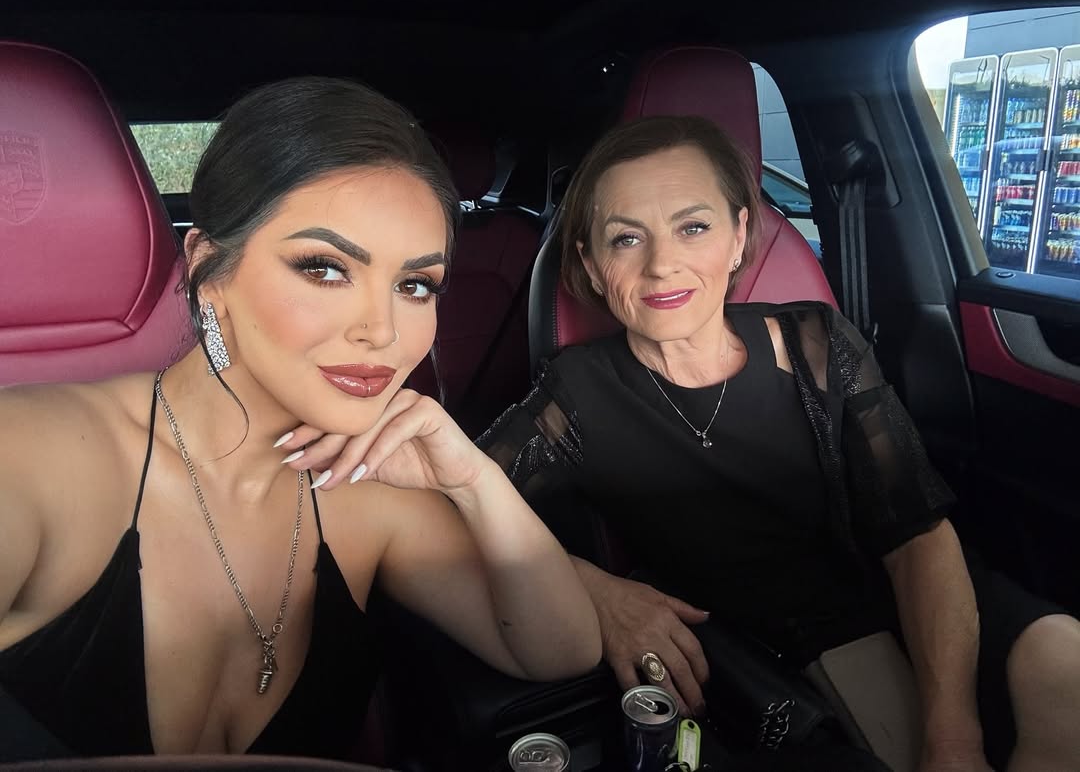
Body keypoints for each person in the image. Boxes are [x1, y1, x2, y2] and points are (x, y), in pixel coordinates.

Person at [0, 77, 600, 761]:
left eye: (415, 285)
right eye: (325, 269)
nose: (382, 331)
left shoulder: (372, 492)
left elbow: (559, 649)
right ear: (209, 270)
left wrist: (473, 480)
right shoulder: (28, 458)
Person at [464, 116, 1078, 772]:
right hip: (789, 653)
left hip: (926, 600)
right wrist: (594, 588)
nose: (662, 264)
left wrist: (954, 736)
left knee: (1064, 667)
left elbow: (917, 535)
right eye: (626, 238)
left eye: (693, 227)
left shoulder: (818, 342)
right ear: (591, 262)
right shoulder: (578, 392)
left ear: (737, 237)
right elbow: (457, 501)